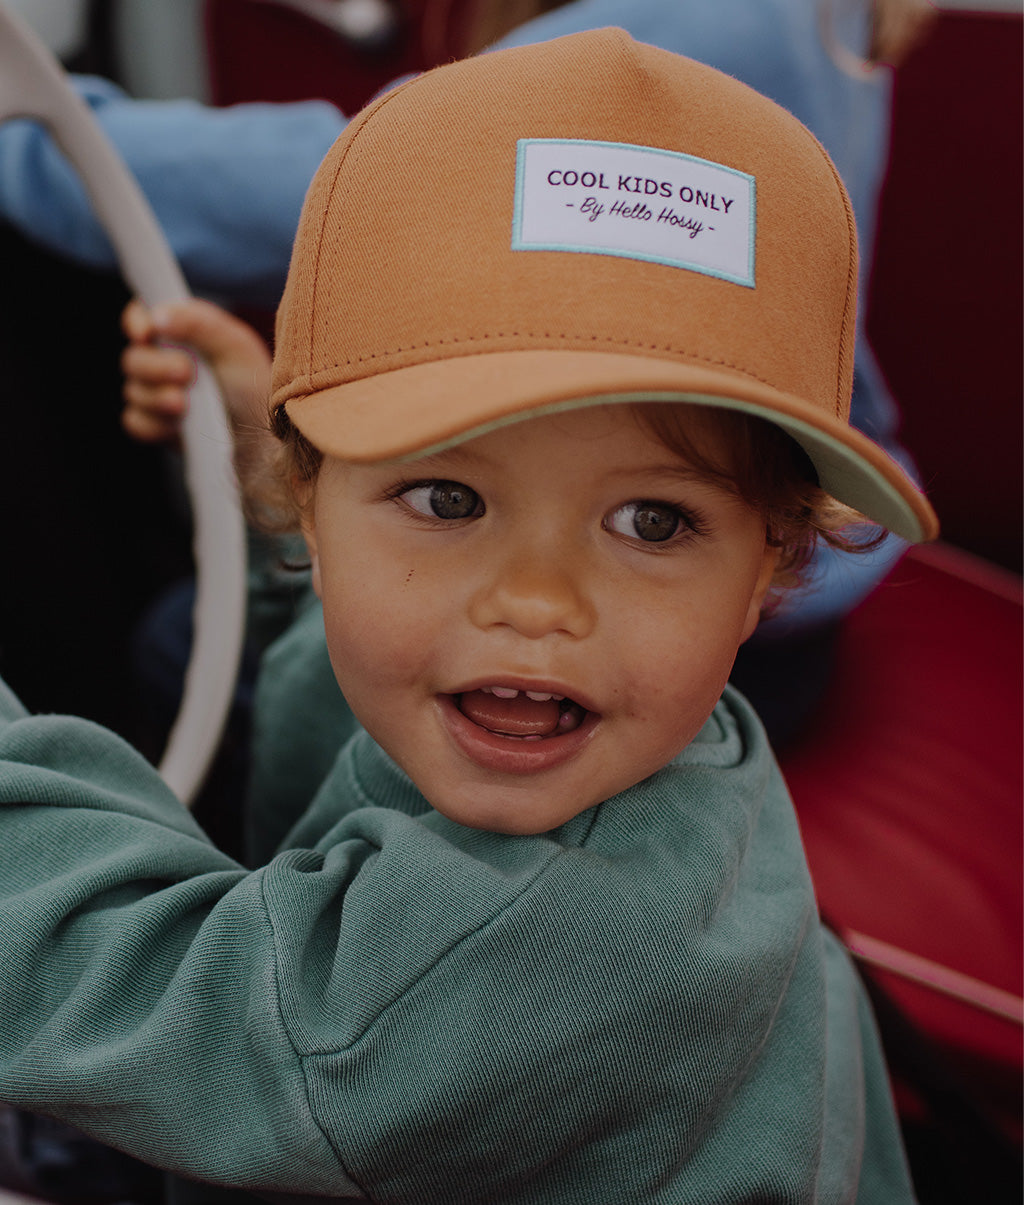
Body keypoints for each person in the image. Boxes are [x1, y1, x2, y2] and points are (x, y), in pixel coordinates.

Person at [0, 31, 936, 1202]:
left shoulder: (568, 928)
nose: (534, 599)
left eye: (652, 522)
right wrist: (257, 444)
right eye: (446, 496)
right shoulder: (590, 725)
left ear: (771, 565)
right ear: (306, 498)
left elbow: (160, 1004)